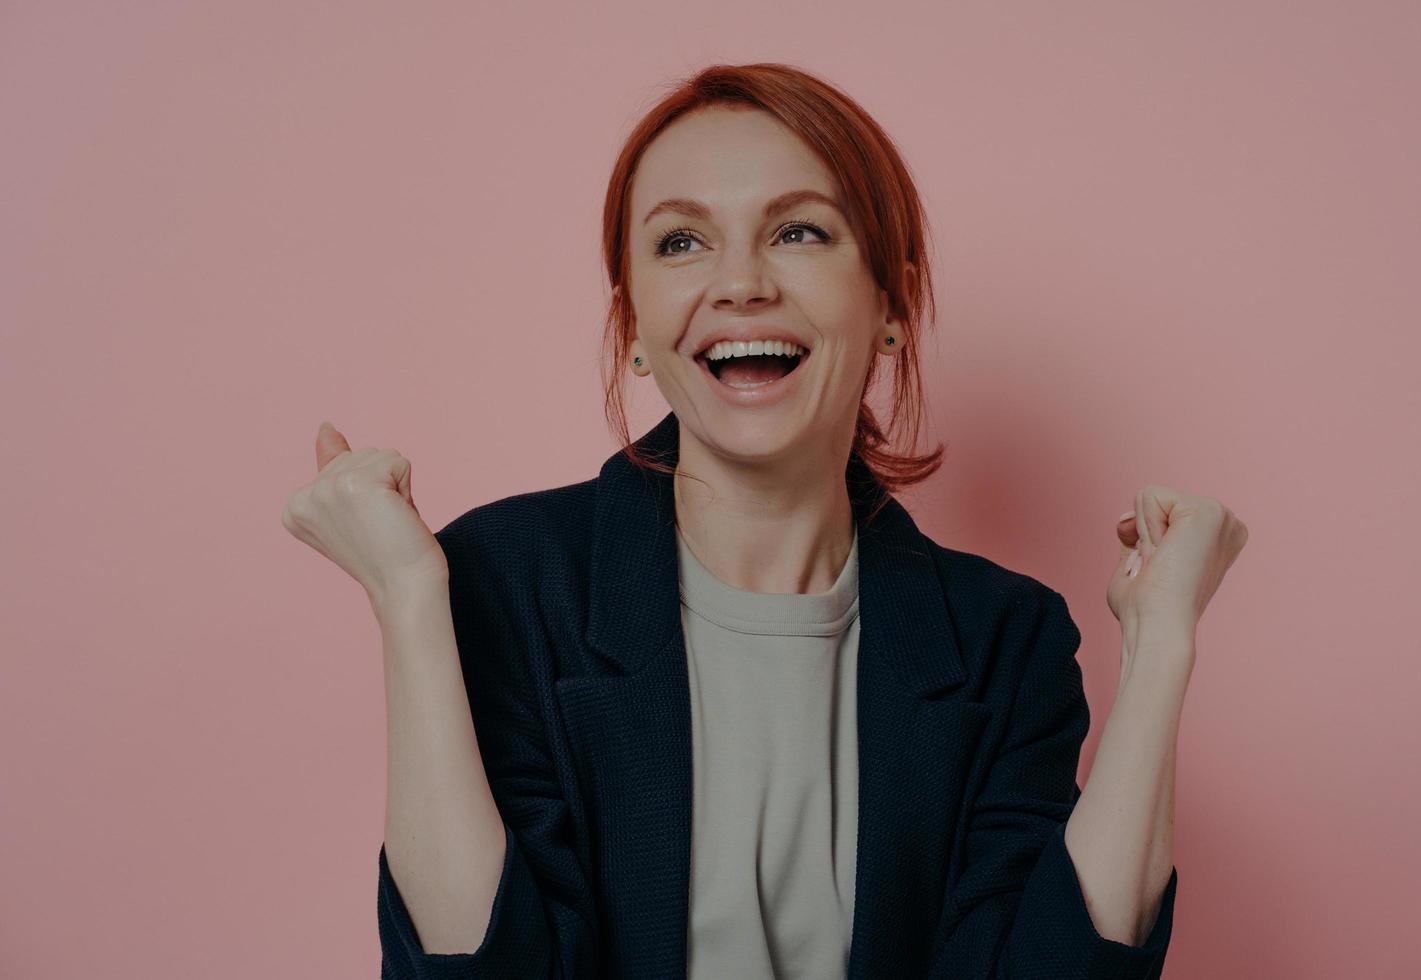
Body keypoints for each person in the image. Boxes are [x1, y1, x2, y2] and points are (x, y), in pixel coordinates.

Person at [282, 62, 1248, 979]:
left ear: (892, 306)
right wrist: (410, 601)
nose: (741, 282)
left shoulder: (1009, 639)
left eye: (800, 233)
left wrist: (1161, 647)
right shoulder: (503, 582)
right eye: (681, 241)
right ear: (633, 335)